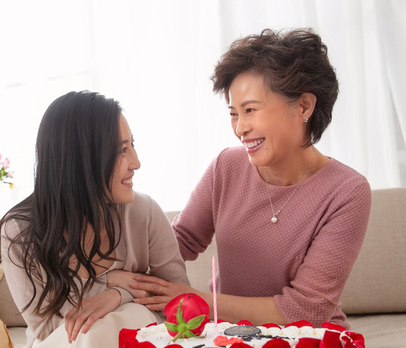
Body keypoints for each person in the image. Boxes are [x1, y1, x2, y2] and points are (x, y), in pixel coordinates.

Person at [132, 29, 371, 330]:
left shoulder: (347, 191)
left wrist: (196, 300)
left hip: (307, 344)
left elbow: (305, 309)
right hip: (228, 337)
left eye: (251, 110)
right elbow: (177, 243)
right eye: (233, 113)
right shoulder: (226, 166)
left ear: (304, 106)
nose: (240, 128)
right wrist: (112, 282)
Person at [0, 91, 189, 348]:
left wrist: (117, 294)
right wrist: (113, 281)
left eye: (132, 145)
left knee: (124, 317)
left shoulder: (144, 211)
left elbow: (180, 306)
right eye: (122, 150)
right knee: (91, 330)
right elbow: (48, 330)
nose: (136, 162)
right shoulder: (19, 231)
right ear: (82, 158)